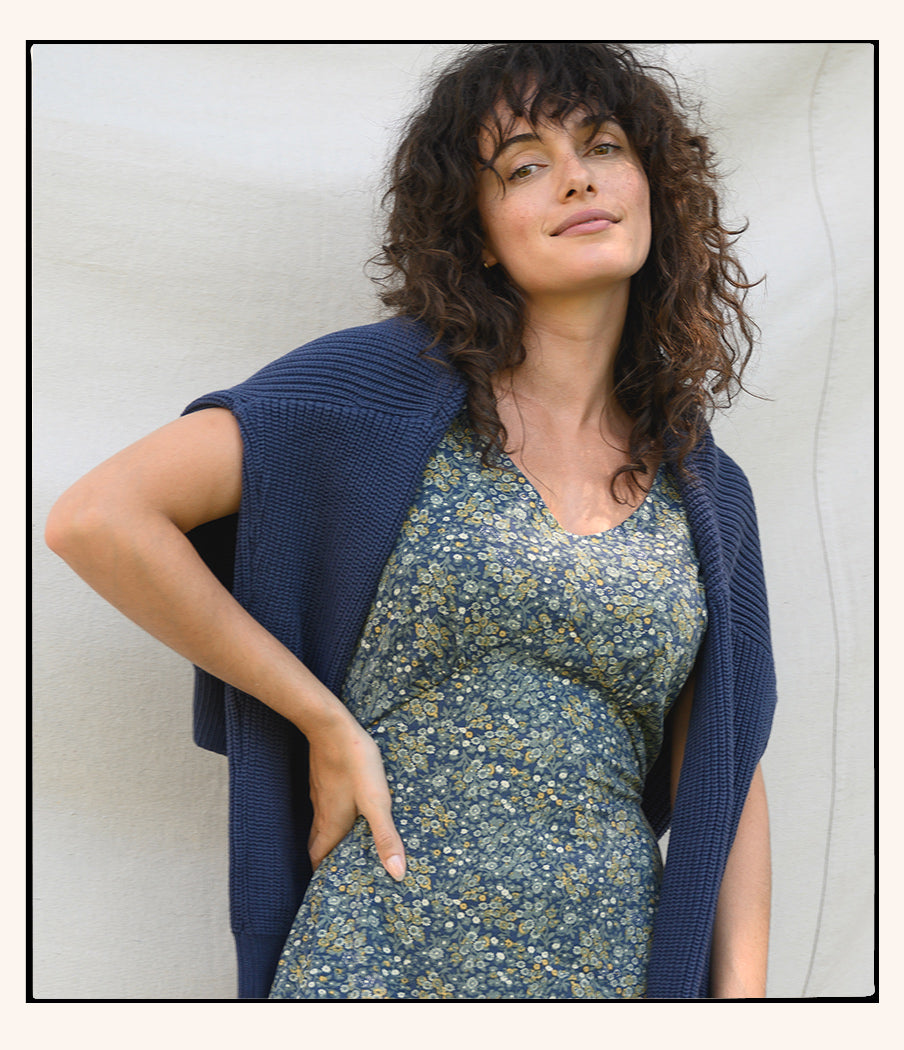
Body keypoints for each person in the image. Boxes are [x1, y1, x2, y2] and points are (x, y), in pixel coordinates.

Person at [45, 43, 776, 1000]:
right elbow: (99, 519)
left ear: (653, 192)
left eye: (603, 146)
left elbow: (727, 764)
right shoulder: (374, 397)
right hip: (373, 959)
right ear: (478, 233)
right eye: (524, 165)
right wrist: (322, 720)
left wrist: (743, 1009)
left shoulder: (707, 494)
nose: (576, 178)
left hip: (608, 973)